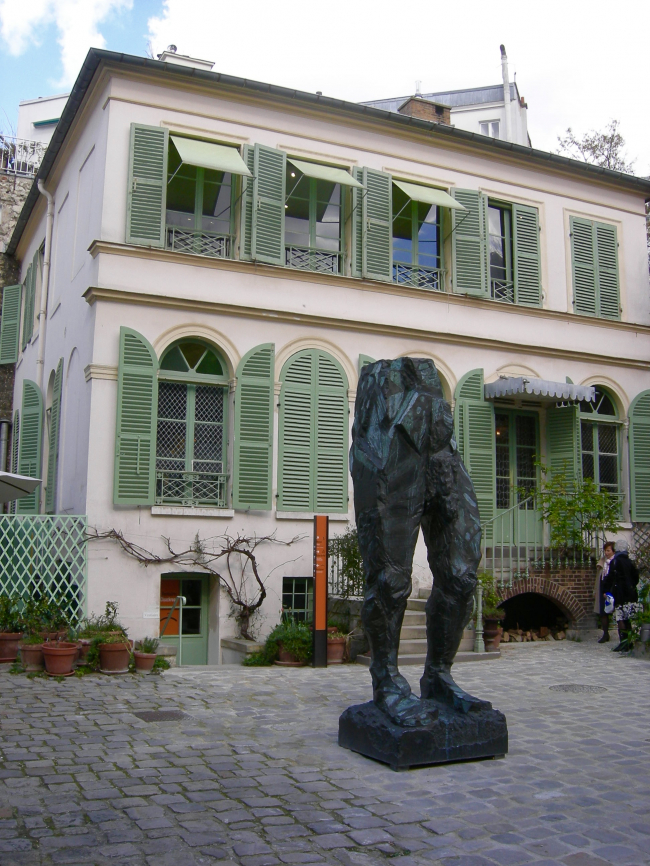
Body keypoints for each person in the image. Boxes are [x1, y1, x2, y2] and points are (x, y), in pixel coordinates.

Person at [351, 357, 489, 727]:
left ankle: (438, 675)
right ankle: (386, 681)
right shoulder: (382, 386)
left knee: (461, 576)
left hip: (442, 449)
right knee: (390, 580)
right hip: (388, 440)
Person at [602, 539, 641, 652]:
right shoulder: (630, 561)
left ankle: (623, 642)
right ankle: (629, 641)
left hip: (619, 593)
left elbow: (610, 578)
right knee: (627, 618)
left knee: (620, 618)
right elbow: (635, 577)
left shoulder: (615, 561)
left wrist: (606, 590)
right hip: (630, 594)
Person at [594, 541, 615, 643]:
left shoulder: (615, 562)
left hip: (612, 588)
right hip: (603, 587)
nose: (606, 553)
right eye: (605, 550)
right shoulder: (603, 562)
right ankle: (605, 633)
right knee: (603, 612)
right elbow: (599, 578)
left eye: (608, 550)